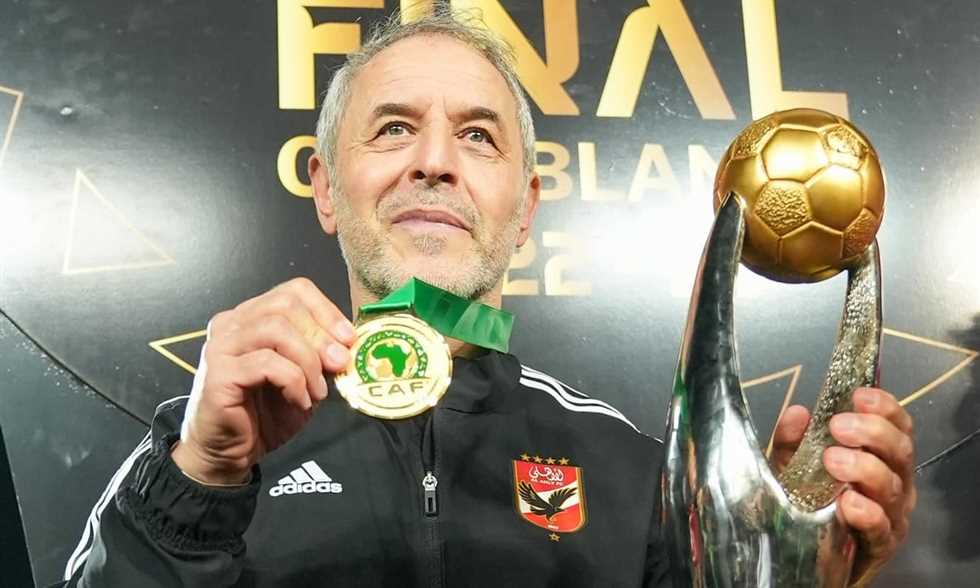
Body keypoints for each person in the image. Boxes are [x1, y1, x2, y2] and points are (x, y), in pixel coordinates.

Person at [60, 9, 915, 588]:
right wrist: (200, 484)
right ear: (324, 188)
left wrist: (774, 565)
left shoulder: (633, 473)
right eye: (394, 127)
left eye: (477, 135)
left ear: (526, 207)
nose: (434, 162)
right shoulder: (208, 448)